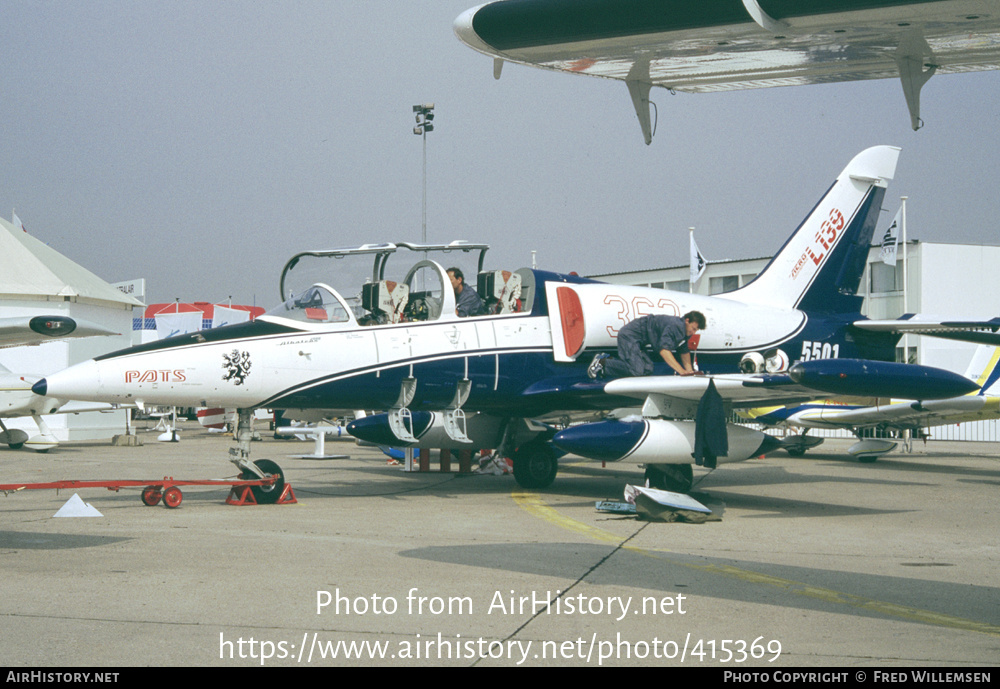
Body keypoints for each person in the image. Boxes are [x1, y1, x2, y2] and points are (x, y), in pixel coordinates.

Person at [588, 311, 706, 379]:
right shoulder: (675, 326)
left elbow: (683, 351)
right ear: (687, 320)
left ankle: (609, 364)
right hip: (629, 336)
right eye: (693, 328)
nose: (693, 332)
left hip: (640, 342)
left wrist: (690, 372)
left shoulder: (685, 332)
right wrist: (681, 371)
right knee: (637, 371)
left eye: (696, 330)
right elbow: (664, 350)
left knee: (648, 369)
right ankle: (602, 362)